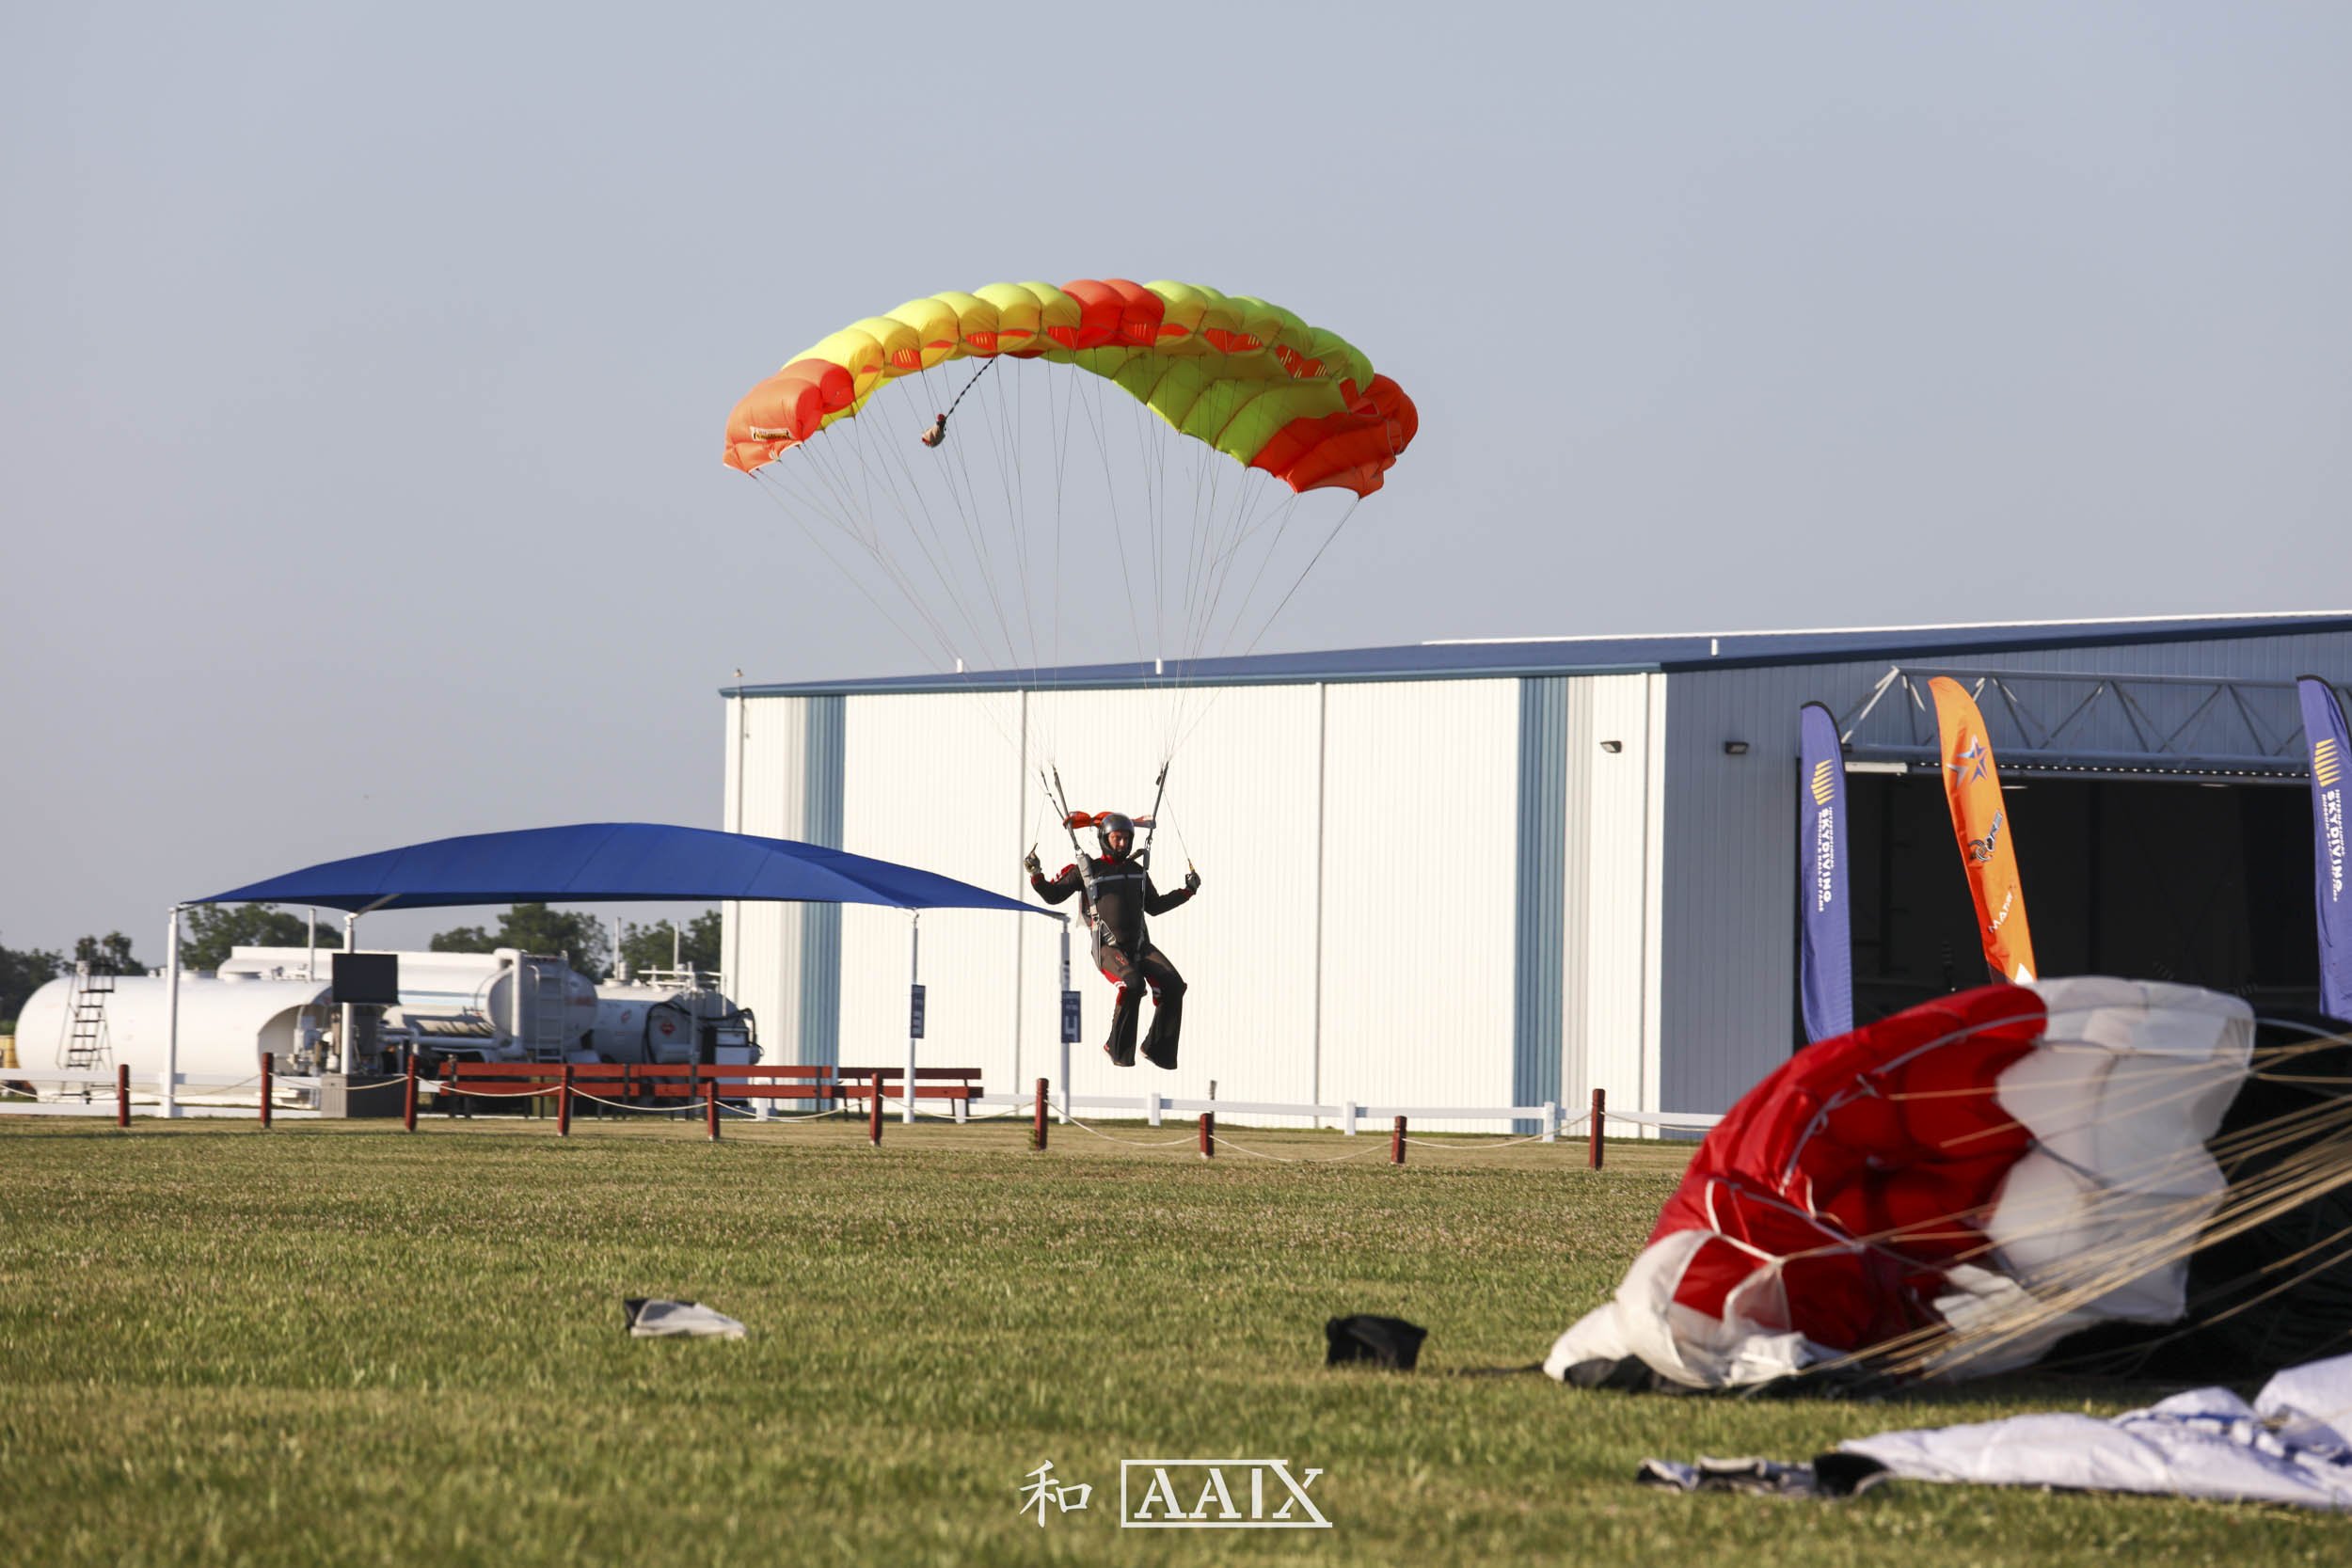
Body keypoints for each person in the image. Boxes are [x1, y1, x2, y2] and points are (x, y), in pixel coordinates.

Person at [1025, 812, 1200, 1069]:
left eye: (1126, 839)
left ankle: (1158, 1049)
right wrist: (1036, 874)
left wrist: (1186, 892)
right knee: (1132, 984)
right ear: (1105, 838)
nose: (1122, 844)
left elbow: (1154, 906)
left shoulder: (1137, 871)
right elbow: (1053, 896)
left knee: (1174, 985)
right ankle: (1116, 1047)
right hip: (1108, 948)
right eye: (1117, 838)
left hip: (1139, 946)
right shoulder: (1088, 871)